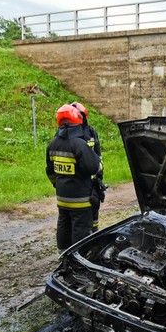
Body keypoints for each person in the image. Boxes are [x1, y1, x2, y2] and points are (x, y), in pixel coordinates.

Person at [46, 104, 103, 251]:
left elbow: (50, 171)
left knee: (63, 224)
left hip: (62, 197)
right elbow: (93, 167)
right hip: (80, 198)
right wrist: (99, 167)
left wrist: (59, 185)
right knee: (81, 227)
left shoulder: (53, 143)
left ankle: (63, 254)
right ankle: (80, 256)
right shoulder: (79, 144)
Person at [71, 101, 107, 232]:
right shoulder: (68, 135)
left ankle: (94, 234)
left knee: (94, 208)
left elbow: (98, 156)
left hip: (92, 181)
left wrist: (99, 180)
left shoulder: (91, 132)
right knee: (79, 216)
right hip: (78, 183)